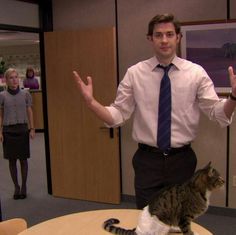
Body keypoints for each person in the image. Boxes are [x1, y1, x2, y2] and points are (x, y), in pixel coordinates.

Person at [73, 13, 236, 209]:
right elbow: (117, 115)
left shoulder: (196, 73)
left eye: (169, 34)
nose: (164, 40)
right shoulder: (135, 73)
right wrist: (92, 103)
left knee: (179, 217)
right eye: (158, 35)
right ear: (150, 39)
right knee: (146, 218)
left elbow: (218, 113)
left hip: (182, 161)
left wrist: (233, 98)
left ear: (178, 37)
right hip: (147, 161)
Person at [0, 68, 35, 200]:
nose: (14, 80)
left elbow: (30, 111)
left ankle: (24, 186)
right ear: (6, 80)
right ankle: (16, 186)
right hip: (8, 131)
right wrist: (0, 131)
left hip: (22, 129)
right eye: (11, 78)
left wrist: (32, 129)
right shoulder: (2, 96)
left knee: (23, 159)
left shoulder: (25, 94)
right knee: (12, 161)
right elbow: (1, 115)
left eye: (16, 77)